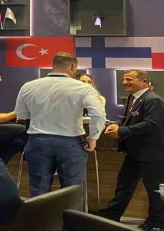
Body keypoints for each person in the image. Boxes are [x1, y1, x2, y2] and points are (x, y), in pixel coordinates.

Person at [14, 52, 106, 197]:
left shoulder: (29, 86)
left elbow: (21, 115)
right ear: (73, 67)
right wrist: (93, 138)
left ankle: (40, 213)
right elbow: (99, 114)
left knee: (38, 189)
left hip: (38, 141)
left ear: (52, 65)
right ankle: (69, 213)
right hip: (71, 142)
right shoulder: (84, 88)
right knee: (71, 191)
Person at [100, 69, 164, 231]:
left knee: (156, 191)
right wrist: (117, 125)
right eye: (124, 79)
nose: (124, 82)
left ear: (144, 81)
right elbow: (133, 120)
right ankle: (112, 215)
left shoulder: (154, 100)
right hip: (136, 153)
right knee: (124, 185)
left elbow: (152, 124)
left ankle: (156, 224)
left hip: (154, 154)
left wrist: (121, 132)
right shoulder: (133, 98)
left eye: (129, 79)